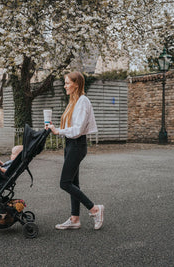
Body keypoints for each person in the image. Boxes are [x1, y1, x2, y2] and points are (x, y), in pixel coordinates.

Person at [46, 71, 104, 230]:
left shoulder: (83, 101)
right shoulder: (73, 101)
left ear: (76, 84)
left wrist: (59, 131)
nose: (64, 85)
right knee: (73, 182)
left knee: (65, 183)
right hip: (70, 144)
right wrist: (55, 128)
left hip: (77, 145)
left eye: (67, 83)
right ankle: (75, 218)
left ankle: (95, 209)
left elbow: (78, 130)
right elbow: (69, 126)